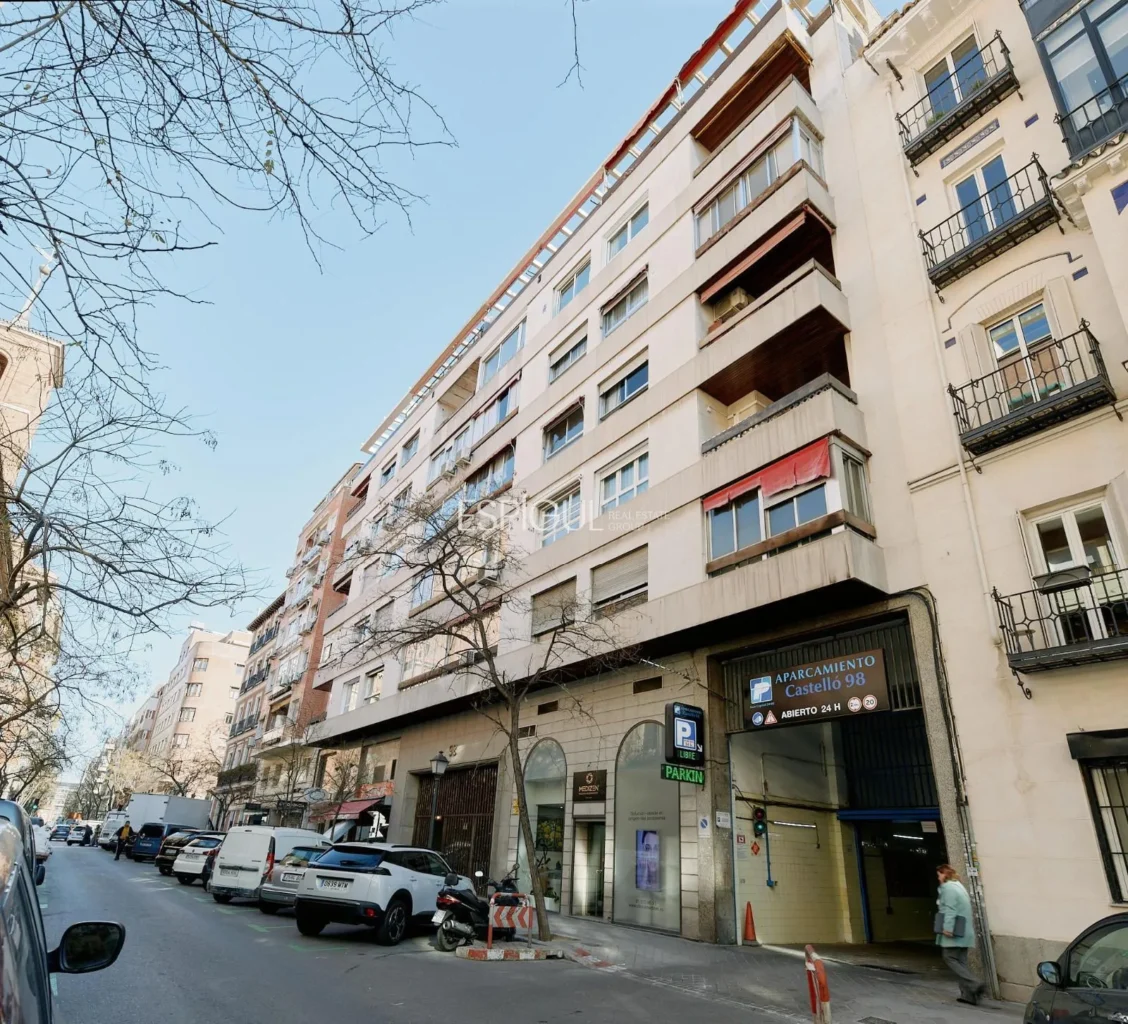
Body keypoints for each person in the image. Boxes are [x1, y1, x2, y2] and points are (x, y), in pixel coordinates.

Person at [935, 864, 986, 1005]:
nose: (938, 878)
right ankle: (968, 996)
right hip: (965, 931)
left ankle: (975, 983)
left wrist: (947, 928)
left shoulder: (948, 888)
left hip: (954, 930)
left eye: (939, 875)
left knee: (949, 957)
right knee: (961, 962)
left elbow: (950, 909)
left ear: (944, 874)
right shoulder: (959, 886)